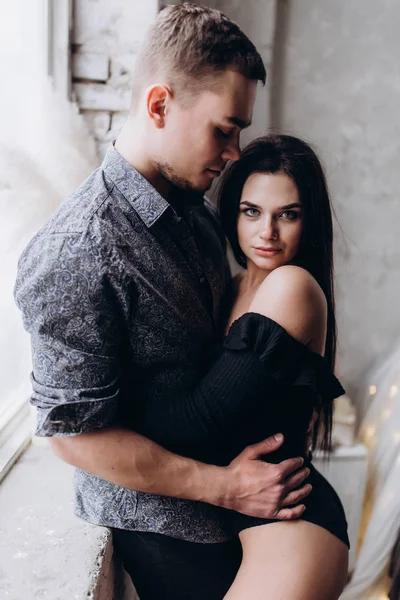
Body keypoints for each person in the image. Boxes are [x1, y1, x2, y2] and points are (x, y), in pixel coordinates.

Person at [14, 5, 313, 599]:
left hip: (238, 514)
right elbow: (73, 434)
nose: (233, 153)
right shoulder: (77, 250)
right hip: (167, 535)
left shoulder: (194, 213)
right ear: (158, 106)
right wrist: (226, 488)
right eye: (224, 129)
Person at [132, 134, 350, 599]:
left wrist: (96, 421)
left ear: (308, 221)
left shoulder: (292, 287)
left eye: (287, 214)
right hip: (241, 530)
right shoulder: (231, 288)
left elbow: (202, 420)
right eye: (252, 211)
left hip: (293, 531)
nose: (266, 232)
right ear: (232, 212)